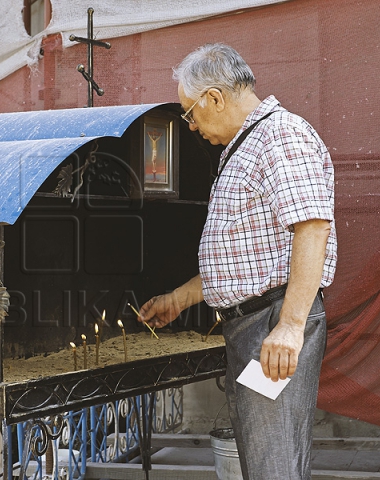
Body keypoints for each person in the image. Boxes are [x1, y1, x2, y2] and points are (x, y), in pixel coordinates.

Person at [138, 43, 337, 480]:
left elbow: (312, 229)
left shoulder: (280, 135)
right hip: (257, 324)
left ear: (214, 97)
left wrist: (289, 325)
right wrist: (179, 298)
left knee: (274, 467)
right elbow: (245, 257)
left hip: (271, 323)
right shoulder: (245, 144)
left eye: (190, 113)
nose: (190, 126)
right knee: (262, 462)